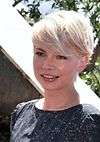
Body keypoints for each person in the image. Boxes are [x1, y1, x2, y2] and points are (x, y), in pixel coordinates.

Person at [10, 10, 100, 142]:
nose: (47, 65)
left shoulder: (89, 123)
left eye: (60, 57)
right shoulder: (21, 112)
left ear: (83, 61)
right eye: (41, 53)